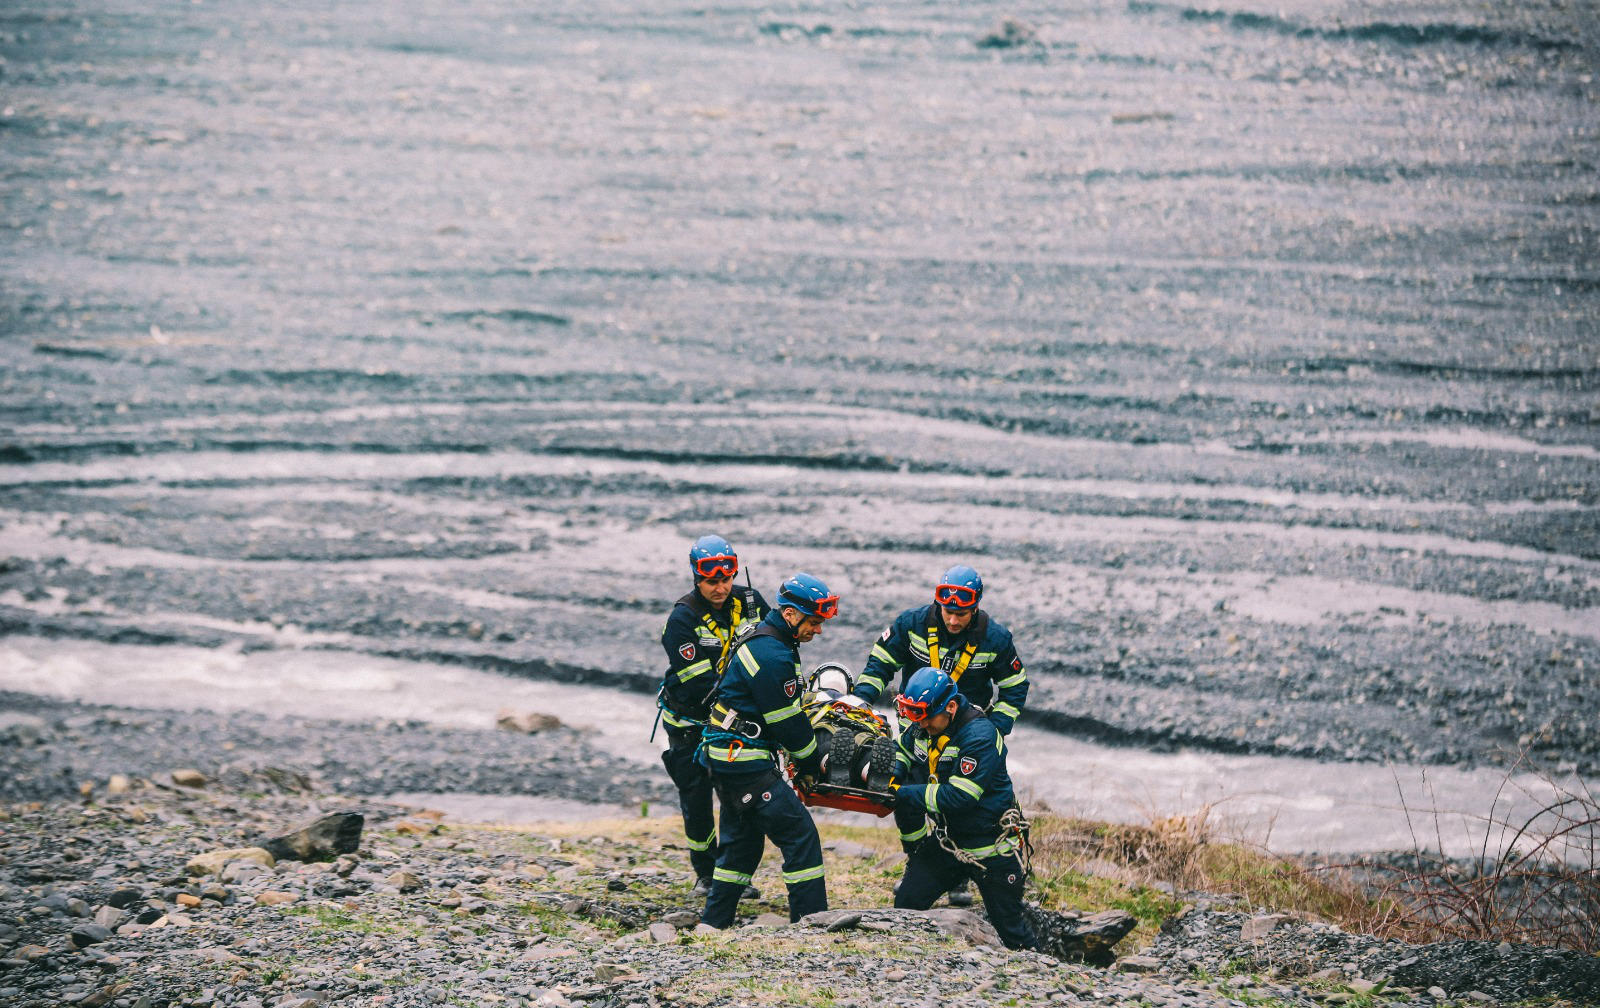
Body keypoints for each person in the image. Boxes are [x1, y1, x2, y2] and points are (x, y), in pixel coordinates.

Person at [852, 564, 1029, 905]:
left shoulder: (995, 639)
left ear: (975, 607)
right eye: (948, 612)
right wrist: (858, 704)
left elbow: (1015, 687)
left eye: (961, 614)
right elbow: (879, 665)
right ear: (939, 604)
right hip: (917, 736)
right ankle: (920, 863)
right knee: (906, 802)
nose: (953, 620)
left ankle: (958, 875)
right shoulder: (912, 624)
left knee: (957, 803)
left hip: (964, 742)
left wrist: (994, 731)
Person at [697, 572, 839, 929]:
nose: (818, 630)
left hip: (727, 756)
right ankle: (811, 925)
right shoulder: (773, 654)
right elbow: (787, 723)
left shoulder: (767, 638)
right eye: (814, 622)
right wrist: (810, 763)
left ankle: (713, 924)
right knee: (800, 836)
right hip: (743, 762)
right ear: (790, 615)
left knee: (741, 845)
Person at [888, 666, 1037, 951]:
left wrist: (902, 794)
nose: (921, 724)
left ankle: (1040, 969)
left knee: (1011, 930)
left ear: (951, 707)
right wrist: (892, 775)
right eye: (915, 716)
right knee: (907, 902)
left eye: (926, 717)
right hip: (950, 842)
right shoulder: (924, 724)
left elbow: (960, 797)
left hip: (992, 848)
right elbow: (903, 750)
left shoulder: (979, 735)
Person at [657, 535, 769, 897]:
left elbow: (776, 648)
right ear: (696, 578)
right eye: (711, 581)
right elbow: (699, 685)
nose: (720, 588)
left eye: (726, 579)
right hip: (690, 723)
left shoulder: (751, 602)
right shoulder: (681, 619)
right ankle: (705, 875)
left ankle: (735, 875)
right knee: (697, 800)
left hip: (737, 720)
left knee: (739, 798)